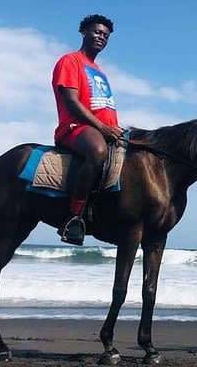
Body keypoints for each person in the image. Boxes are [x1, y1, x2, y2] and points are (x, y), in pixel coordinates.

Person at [52, 14, 123, 245]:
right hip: (75, 128)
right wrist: (102, 127)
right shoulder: (70, 61)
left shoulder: (99, 71)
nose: (101, 36)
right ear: (84, 32)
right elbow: (72, 101)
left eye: (106, 35)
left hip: (103, 129)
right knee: (98, 151)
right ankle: (73, 218)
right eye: (96, 32)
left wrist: (113, 128)